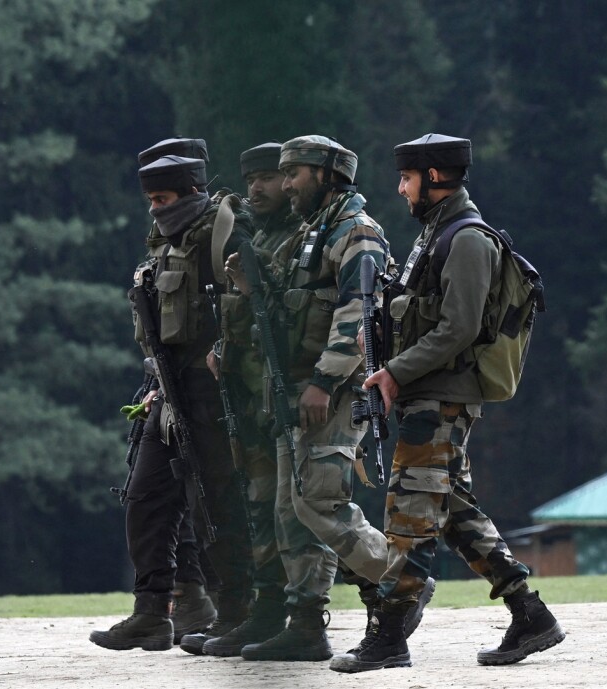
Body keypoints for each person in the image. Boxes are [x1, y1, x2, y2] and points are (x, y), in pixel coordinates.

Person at [331, 133, 565, 673]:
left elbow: (458, 329)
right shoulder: (437, 235)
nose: (400, 188)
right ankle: (529, 613)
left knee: (409, 516)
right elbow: (420, 316)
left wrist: (393, 370)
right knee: (454, 512)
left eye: (408, 179)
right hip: (426, 394)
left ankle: (387, 637)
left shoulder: (467, 240)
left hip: (441, 398)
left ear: (434, 179)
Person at [225, 135, 432, 662]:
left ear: (326, 173)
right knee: (290, 509)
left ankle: (402, 579)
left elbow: (357, 315)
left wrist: (323, 379)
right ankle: (307, 626)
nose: (286, 182)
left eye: (294, 172)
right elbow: (294, 305)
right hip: (295, 389)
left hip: (332, 391)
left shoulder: (356, 233)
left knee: (318, 502)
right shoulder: (312, 231)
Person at [89, 141, 255, 652]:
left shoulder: (223, 235)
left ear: (192, 191)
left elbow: (251, 311)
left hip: (215, 393)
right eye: (152, 201)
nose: (157, 209)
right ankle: (150, 612)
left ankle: (235, 610)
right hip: (168, 389)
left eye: (164, 198)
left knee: (218, 503)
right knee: (145, 497)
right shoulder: (164, 242)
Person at [183, 142, 340, 657]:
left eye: (273, 178)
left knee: (299, 512)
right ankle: (268, 610)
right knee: (262, 510)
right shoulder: (251, 236)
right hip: (250, 395)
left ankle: (314, 618)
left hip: (288, 390)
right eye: (253, 181)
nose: (259, 189)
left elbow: (301, 317)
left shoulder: (307, 239)